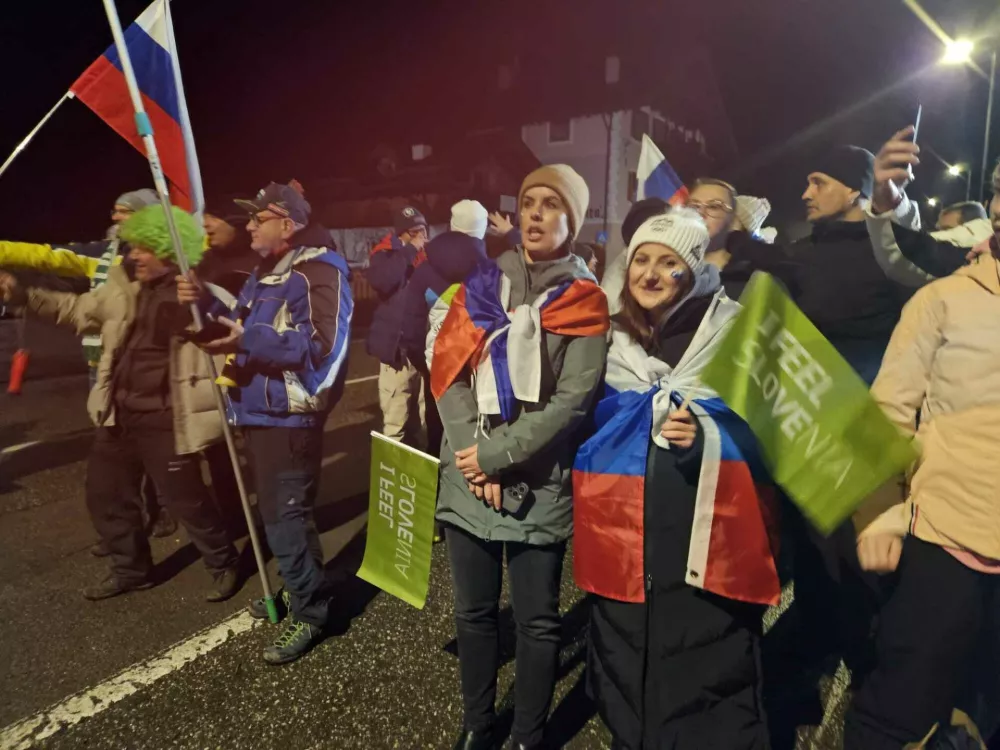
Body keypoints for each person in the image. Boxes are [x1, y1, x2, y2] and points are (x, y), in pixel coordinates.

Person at [573, 208, 779, 750]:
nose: (650, 273)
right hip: (623, 535)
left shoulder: (734, 330)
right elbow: (580, 414)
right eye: (641, 259)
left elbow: (773, 430)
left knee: (705, 667)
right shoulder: (611, 340)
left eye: (669, 263)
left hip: (702, 539)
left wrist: (709, 436)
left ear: (692, 271)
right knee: (624, 655)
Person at [430, 165, 609, 750]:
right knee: (474, 614)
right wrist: (470, 456)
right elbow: (449, 371)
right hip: (468, 473)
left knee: (536, 621)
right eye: (528, 201)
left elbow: (572, 402)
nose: (534, 214)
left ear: (571, 222)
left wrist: (495, 457)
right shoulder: (483, 285)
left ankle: (529, 733)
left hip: (538, 480)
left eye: (551, 204)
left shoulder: (585, 300)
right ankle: (480, 724)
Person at [0, 204, 240, 602]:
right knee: (105, 494)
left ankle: (223, 561)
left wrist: (199, 303)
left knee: (186, 501)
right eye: (131, 249)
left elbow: (223, 329)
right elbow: (77, 310)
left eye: (142, 249)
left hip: (167, 417)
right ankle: (132, 569)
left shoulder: (196, 291)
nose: (133, 256)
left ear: (166, 249)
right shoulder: (121, 286)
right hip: (119, 412)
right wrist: (23, 295)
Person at [178, 181, 353, 665]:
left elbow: (322, 345)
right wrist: (204, 304)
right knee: (276, 515)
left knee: (286, 517)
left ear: (289, 225)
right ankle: (299, 590)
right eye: (249, 217)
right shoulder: (264, 271)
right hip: (256, 409)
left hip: (290, 415)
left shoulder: (320, 268)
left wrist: (245, 339)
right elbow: (240, 324)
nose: (249, 225)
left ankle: (314, 612)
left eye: (259, 217)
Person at [844, 245, 1000, 750]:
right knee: (900, 712)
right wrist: (879, 511)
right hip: (945, 534)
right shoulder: (945, 299)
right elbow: (884, 413)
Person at [0, 188, 176, 541]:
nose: (114, 218)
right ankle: (130, 529)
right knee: (117, 454)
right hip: (106, 371)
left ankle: (167, 509)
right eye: (114, 211)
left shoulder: (168, 258)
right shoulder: (103, 254)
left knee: (157, 447)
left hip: (150, 372)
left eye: (123, 211)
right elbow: (46, 257)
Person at [865, 127, 996, 287]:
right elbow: (918, 255)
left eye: (946, 230)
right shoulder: (978, 257)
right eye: (997, 190)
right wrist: (888, 202)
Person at [367, 205, 431, 448]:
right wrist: (408, 251)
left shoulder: (429, 257)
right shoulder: (384, 254)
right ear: (401, 235)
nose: (420, 237)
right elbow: (383, 281)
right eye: (413, 232)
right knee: (396, 423)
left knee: (428, 421)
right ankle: (395, 480)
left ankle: (431, 477)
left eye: (423, 230)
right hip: (398, 352)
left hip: (425, 350)